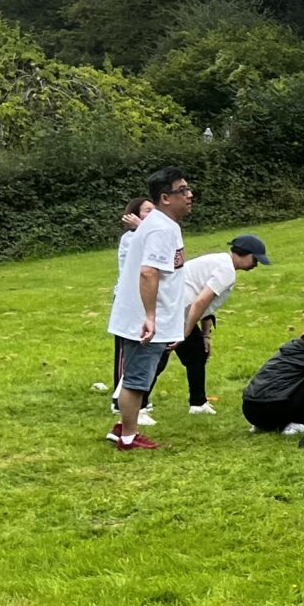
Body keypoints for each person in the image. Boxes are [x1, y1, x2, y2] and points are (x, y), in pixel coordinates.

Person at [106, 167, 195, 451]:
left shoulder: (164, 225)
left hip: (152, 315)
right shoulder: (159, 228)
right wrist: (150, 317)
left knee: (138, 374)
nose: (189, 195)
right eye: (183, 190)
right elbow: (148, 273)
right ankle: (128, 437)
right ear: (165, 197)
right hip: (143, 318)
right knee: (137, 378)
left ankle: (122, 427)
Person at [169, 233, 270, 414]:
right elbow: (200, 302)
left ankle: (198, 403)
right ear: (245, 254)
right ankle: (136, 404)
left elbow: (205, 306)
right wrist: (186, 332)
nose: (257, 264)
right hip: (175, 311)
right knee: (157, 357)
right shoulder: (226, 270)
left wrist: (205, 335)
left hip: (179, 310)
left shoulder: (221, 262)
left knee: (197, 353)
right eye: (256, 259)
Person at [240, 313, 304, 434]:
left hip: (250, 408)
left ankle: (264, 425)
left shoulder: (289, 350)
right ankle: (297, 422)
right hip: (275, 408)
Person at [109, 196, 153, 419]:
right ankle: (119, 401)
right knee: (125, 352)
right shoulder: (130, 238)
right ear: (133, 216)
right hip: (127, 299)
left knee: (142, 348)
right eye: (146, 211)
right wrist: (142, 228)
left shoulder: (145, 234)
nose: (151, 215)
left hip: (144, 298)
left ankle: (138, 397)